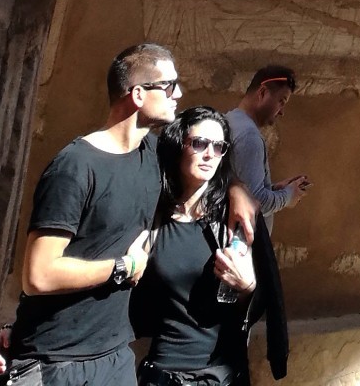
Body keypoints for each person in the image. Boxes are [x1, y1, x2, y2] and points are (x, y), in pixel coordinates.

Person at [4, 44, 185, 386]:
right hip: (54, 361)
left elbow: (207, 161)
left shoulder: (152, 154)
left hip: (114, 354)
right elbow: (39, 274)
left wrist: (240, 194)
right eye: (170, 85)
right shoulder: (75, 167)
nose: (179, 94)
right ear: (138, 94)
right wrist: (124, 266)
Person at [131, 106, 286, 386]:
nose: (210, 154)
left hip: (219, 375)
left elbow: (262, 300)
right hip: (162, 372)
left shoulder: (236, 218)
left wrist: (247, 288)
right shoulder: (154, 213)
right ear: (179, 145)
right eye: (200, 143)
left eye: (219, 147)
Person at [225, 67, 309, 224]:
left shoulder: (230, 120)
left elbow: (242, 188)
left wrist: (275, 189)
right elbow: (255, 202)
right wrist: (288, 196)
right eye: (281, 101)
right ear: (263, 92)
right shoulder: (248, 136)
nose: (281, 111)